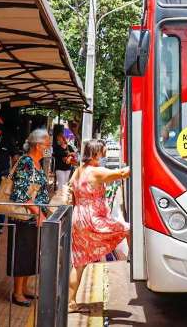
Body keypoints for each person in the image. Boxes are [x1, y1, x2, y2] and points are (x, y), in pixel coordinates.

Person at [68, 140, 130, 313]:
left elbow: (71, 194)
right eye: (103, 152)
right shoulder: (96, 171)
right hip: (92, 218)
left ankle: (71, 303)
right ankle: (132, 263)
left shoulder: (78, 171)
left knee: (79, 263)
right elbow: (123, 173)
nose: (105, 155)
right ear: (96, 154)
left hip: (78, 216)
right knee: (126, 230)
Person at [7, 129, 51, 307]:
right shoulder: (26, 161)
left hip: (32, 217)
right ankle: (17, 293)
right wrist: (38, 212)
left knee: (30, 254)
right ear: (38, 145)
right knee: (21, 254)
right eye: (47, 143)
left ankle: (23, 288)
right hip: (24, 218)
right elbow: (19, 192)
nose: (49, 146)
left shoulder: (37, 162)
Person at [53, 124, 76, 193]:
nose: (58, 140)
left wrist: (70, 156)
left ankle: (64, 198)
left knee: (65, 184)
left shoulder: (69, 147)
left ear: (63, 139)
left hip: (67, 167)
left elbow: (74, 154)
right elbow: (57, 154)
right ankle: (60, 198)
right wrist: (68, 155)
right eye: (57, 139)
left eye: (59, 139)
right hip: (59, 168)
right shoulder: (56, 147)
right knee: (61, 184)